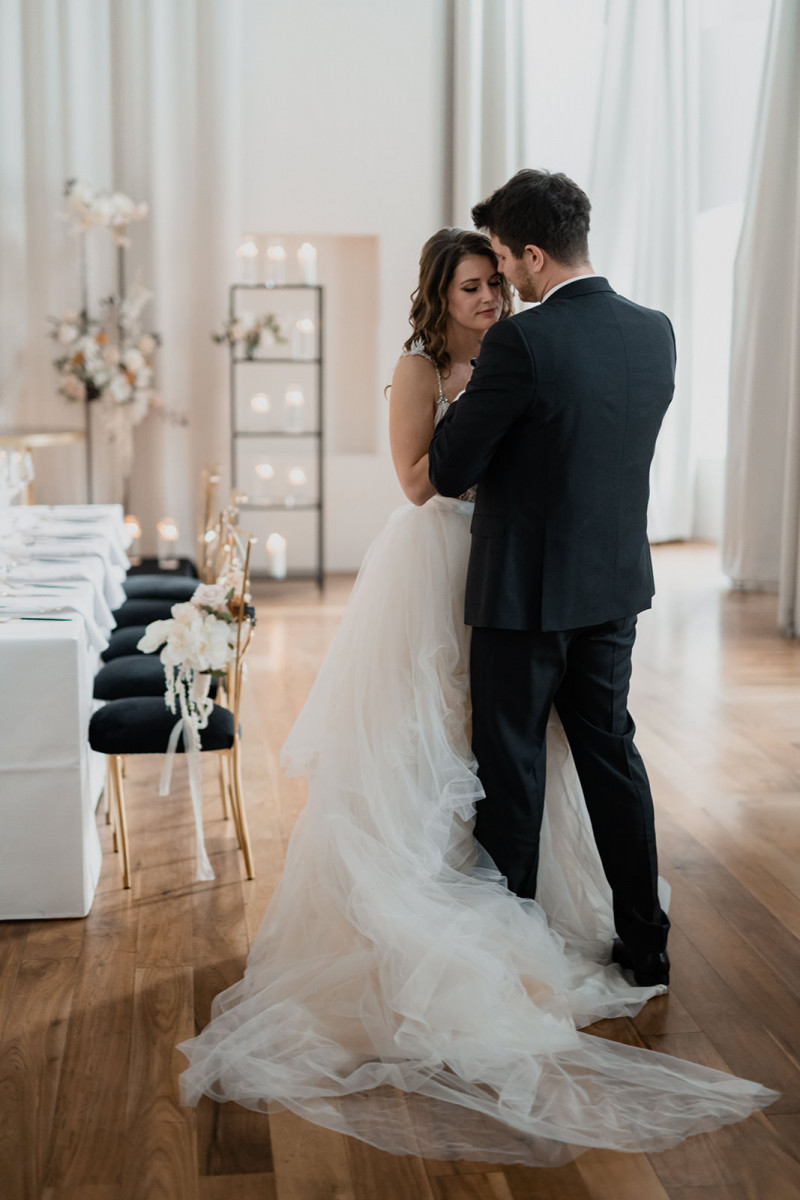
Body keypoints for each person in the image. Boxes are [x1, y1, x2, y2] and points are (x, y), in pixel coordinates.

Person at [178, 224, 775, 1167]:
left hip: (522, 576)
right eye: (471, 287)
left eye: (496, 282)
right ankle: (483, 925)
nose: (490, 298)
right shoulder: (425, 369)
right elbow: (421, 483)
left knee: (533, 751)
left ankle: (540, 926)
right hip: (451, 567)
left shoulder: (524, 350)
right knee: (457, 745)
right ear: (438, 294)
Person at [429, 169, 671, 988]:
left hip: (521, 594)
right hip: (611, 589)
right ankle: (646, 943)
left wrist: (462, 396)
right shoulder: (656, 331)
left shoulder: (521, 343)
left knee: (513, 771)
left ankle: (511, 958)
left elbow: (452, 462)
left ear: (533, 254)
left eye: (504, 258)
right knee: (613, 759)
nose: (504, 278)